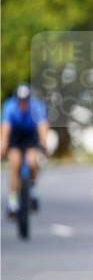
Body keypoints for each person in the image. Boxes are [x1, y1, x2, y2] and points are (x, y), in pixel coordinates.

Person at [1, 84, 49, 214]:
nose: (22, 104)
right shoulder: (9, 106)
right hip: (15, 137)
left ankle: (32, 190)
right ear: (16, 100)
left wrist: (44, 144)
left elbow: (42, 126)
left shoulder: (36, 106)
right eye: (20, 101)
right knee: (14, 163)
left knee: (32, 162)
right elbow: (5, 128)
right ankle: (12, 202)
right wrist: (3, 146)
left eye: (25, 101)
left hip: (30, 136)